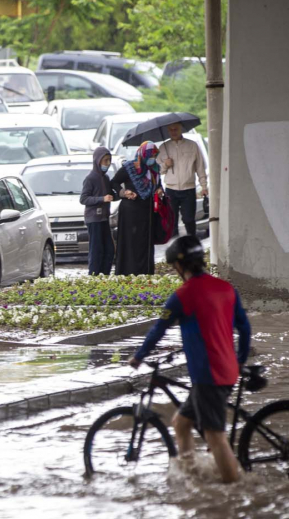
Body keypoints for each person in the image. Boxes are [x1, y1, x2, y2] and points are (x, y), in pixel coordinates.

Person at [128, 235, 251, 483]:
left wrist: (139, 356)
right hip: (226, 371)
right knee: (181, 423)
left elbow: (158, 330)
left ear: (179, 266)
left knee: (215, 436)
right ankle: (192, 476)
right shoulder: (226, 289)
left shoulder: (183, 295)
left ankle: (235, 495)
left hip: (209, 375)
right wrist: (240, 360)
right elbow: (245, 329)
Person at [110, 141, 160, 275]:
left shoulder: (155, 169)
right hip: (130, 212)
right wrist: (124, 193)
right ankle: (128, 272)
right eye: (150, 156)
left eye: (154, 156)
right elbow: (114, 182)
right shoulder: (129, 168)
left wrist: (159, 190)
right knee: (131, 244)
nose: (152, 159)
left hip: (147, 213)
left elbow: (157, 186)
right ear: (143, 154)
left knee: (145, 244)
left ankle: (146, 272)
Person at [158, 123, 208, 238]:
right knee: (172, 220)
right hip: (171, 189)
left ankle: (191, 241)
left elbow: (200, 168)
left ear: (181, 130)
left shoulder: (192, 145)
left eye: (176, 129)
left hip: (188, 188)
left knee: (189, 219)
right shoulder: (163, 147)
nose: (174, 131)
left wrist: (204, 186)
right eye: (171, 130)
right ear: (168, 131)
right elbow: (158, 170)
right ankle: (174, 245)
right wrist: (165, 164)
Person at [79, 146, 116, 275]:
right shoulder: (90, 178)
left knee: (109, 249)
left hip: (104, 218)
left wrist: (123, 194)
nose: (107, 163)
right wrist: (101, 199)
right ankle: (94, 275)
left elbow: (110, 195)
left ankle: (104, 275)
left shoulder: (105, 178)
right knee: (96, 249)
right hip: (94, 219)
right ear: (97, 160)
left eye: (109, 160)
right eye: (105, 160)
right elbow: (83, 199)